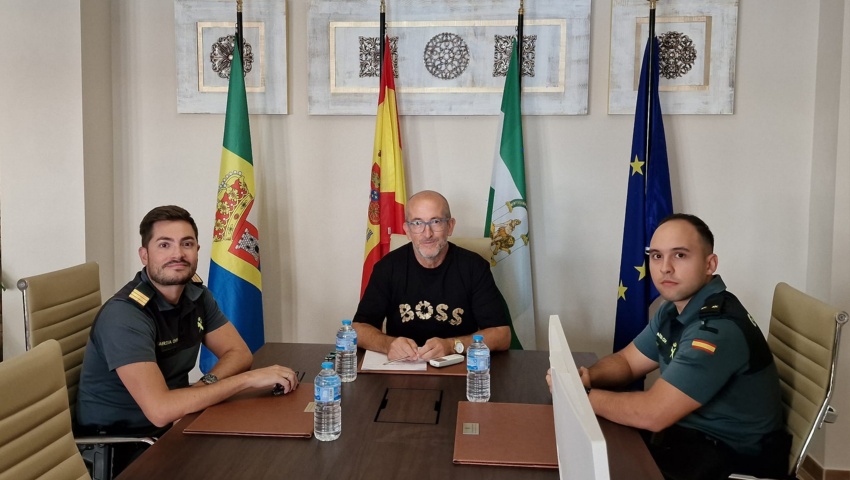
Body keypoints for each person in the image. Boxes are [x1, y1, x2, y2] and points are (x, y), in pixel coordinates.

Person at [547, 214, 788, 480]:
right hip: (686, 440)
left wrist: (579, 398)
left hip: (731, 460)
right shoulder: (674, 309)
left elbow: (653, 413)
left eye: (680, 255)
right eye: (656, 256)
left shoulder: (716, 331)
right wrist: (589, 376)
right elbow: (628, 362)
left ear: (710, 264)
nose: (665, 268)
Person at [77, 206, 299, 471]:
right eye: (164, 245)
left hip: (176, 423)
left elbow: (238, 353)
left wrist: (202, 386)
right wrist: (248, 380)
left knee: (267, 456)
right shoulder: (126, 315)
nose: (178, 254)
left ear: (197, 251)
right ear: (144, 255)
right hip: (125, 445)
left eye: (187, 243)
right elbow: (159, 411)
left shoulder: (195, 295)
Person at [353, 190, 511, 361]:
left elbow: (502, 335)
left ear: (450, 226)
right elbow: (359, 328)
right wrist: (388, 344)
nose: (427, 233)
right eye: (417, 223)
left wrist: (452, 346)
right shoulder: (387, 267)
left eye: (435, 222)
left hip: (459, 367)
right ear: (407, 230)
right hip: (404, 367)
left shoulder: (475, 267)